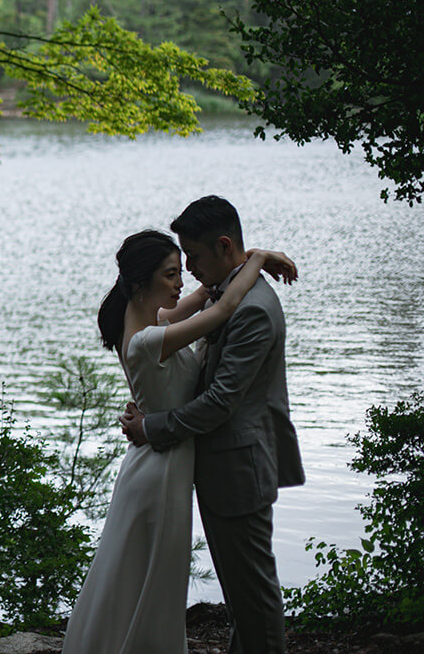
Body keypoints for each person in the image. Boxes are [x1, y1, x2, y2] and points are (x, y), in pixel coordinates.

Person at [62, 226, 297, 653]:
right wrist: (259, 257)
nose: (181, 281)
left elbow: (207, 297)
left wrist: (243, 261)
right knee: (154, 579)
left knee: (139, 575)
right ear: (141, 282)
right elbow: (223, 307)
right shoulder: (151, 338)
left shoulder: (148, 324)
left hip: (156, 464)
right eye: (171, 274)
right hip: (161, 472)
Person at [122, 196, 305, 654]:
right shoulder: (228, 294)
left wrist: (152, 427)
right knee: (242, 597)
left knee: (255, 598)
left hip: (238, 472)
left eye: (195, 258)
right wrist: (258, 256)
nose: (190, 271)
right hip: (224, 469)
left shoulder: (254, 310)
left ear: (224, 247)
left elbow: (220, 402)